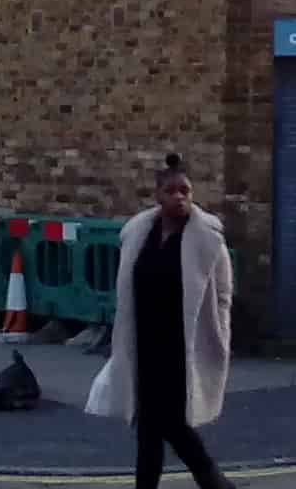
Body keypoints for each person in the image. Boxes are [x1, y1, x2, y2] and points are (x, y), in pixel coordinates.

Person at [87, 155, 237, 489]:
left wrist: (221, 333)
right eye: (171, 191)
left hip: (183, 345)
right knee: (149, 429)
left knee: (169, 424)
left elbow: (224, 294)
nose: (180, 197)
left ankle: (217, 483)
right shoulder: (139, 234)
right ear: (158, 195)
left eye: (185, 190)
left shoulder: (207, 239)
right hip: (145, 343)